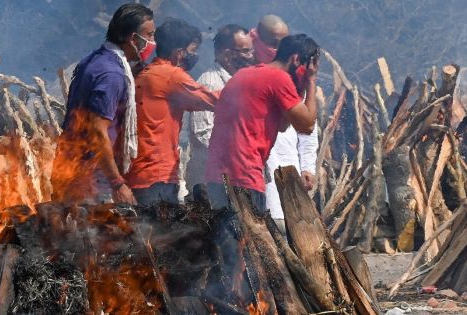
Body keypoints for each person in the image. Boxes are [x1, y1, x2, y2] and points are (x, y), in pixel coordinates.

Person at [51, 3, 155, 205]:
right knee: (97, 235)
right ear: (133, 38)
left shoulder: (95, 60)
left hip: (70, 167)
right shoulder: (111, 74)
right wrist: (117, 183)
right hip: (90, 177)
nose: (152, 42)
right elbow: (98, 132)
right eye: (149, 35)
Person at [205, 34, 320, 212]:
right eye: (309, 68)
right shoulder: (278, 79)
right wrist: (311, 81)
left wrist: (300, 85)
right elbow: (307, 126)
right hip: (244, 177)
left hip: (217, 177)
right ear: (296, 59)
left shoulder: (244, 74)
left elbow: (283, 125)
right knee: (247, 239)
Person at [124, 18, 218, 206]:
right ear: (179, 52)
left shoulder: (148, 73)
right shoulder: (171, 76)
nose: (195, 56)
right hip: (157, 176)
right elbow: (215, 101)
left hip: (139, 173)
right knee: (160, 233)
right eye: (192, 50)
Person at [252, 15, 320, 234]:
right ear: (256, 38)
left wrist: (308, 166)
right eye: (272, 42)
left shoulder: (295, 81)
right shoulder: (248, 75)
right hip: (258, 170)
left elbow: (308, 129)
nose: (276, 48)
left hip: (290, 170)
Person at [185, 24, 254, 199]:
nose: (250, 56)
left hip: (234, 181)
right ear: (225, 53)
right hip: (210, 186)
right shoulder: (209, 83)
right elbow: (203, 134)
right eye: (244, 51)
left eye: (250, 50)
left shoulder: (241, 81)